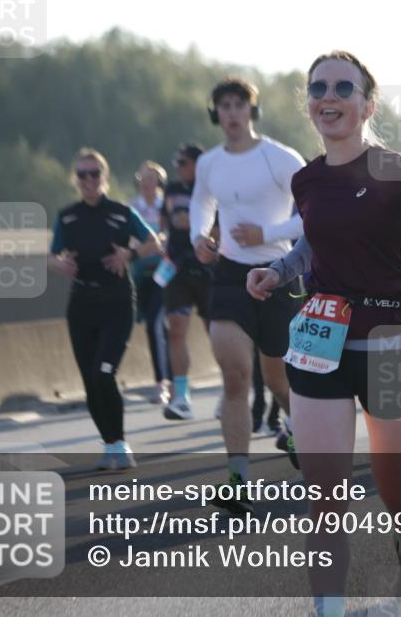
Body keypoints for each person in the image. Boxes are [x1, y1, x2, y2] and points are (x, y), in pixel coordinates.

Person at [246, 51, 401, 613]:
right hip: (320, 341)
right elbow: (316, 241)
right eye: (319, 88)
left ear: (367, 103)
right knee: (324, 497)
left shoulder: (398, 171)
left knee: (396, 491)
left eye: (344, 87)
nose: (329, 96)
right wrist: (280, 270)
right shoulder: (306, 178)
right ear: (308, 103)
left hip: (392, 343)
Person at [190, 77, 306, 508]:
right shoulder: (210, 163)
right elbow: (201, 202)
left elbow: (313, 215)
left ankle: (296, 428)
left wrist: (267, 231)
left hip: (278, 275)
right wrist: (200, 237)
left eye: (240, 105)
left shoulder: (279, 158)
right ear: (216, 113)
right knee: (235, 376)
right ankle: (238, 480)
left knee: (278, 379)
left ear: (251, 112)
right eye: (225, 106)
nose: (232, 113)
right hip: (231, 276)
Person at [48, 149, 161, 470]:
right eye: (82, 175)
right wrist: (61, 264)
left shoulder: (122, 212)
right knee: (90, 381)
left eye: (94, 174)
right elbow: (50, 256)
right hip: (82, 304)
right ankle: (109, 443)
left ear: (105, 177)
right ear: (75, 179)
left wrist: (129, 256)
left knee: (104, 372)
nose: (88, 180)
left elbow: (155, 241)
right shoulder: (67, 216)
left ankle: (121, 442)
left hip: (117, 302)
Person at [160, 144, 211, 420]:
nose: (178, 167)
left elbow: (219, 226)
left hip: (206, 269)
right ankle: (181, 396)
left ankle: (230, 390)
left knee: (215, 331)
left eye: (183, 162)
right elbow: (167, 220)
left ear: (197, 164)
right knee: (176, 329)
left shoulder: (211, 189)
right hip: (176, 266)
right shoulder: (171, 189)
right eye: (175, 162)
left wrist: (192, 223)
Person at [130, 160, 171, 404]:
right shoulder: (131, 208)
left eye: (152, 179)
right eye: (143, 179)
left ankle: (162, 383)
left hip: (165, 272)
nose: (146, 184)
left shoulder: (166, 205)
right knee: (154, 326)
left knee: (158, 323)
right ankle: (169, 376)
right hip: (141, 273)